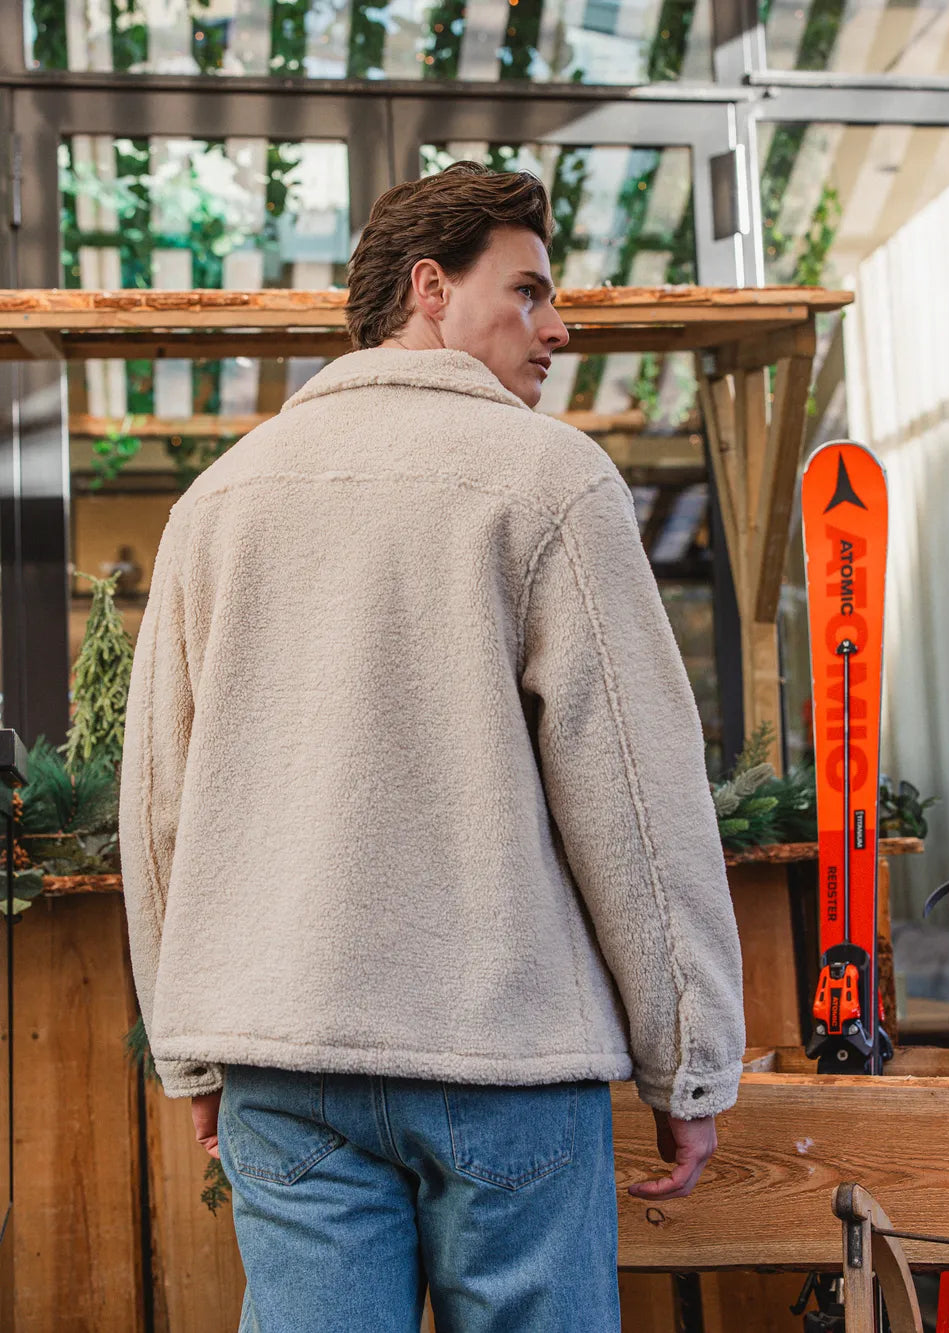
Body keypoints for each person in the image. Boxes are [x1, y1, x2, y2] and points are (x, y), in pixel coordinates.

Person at [118, 161, 745, 1333]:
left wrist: (191, 1050)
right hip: (503, 1058)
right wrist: (690, 1062)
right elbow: (639, 800)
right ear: (430, 288)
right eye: (528, 291)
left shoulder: (219, 501)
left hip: (286, 1065)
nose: (557, 328)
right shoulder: (551, 482)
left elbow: (159, 805)